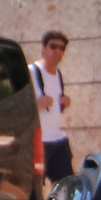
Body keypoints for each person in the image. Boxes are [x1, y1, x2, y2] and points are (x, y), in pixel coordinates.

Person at [30, 31, 74, 184]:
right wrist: (36, 105)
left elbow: (54, 106)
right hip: (38, 142)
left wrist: (64, 102)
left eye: (61, 48)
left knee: (66, 187)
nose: (57, 51)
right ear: (43, 48)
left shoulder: (58, 75)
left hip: (58, 140)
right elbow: (16, 105)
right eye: (53, 46)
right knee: (34, 188)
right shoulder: (31, 72)